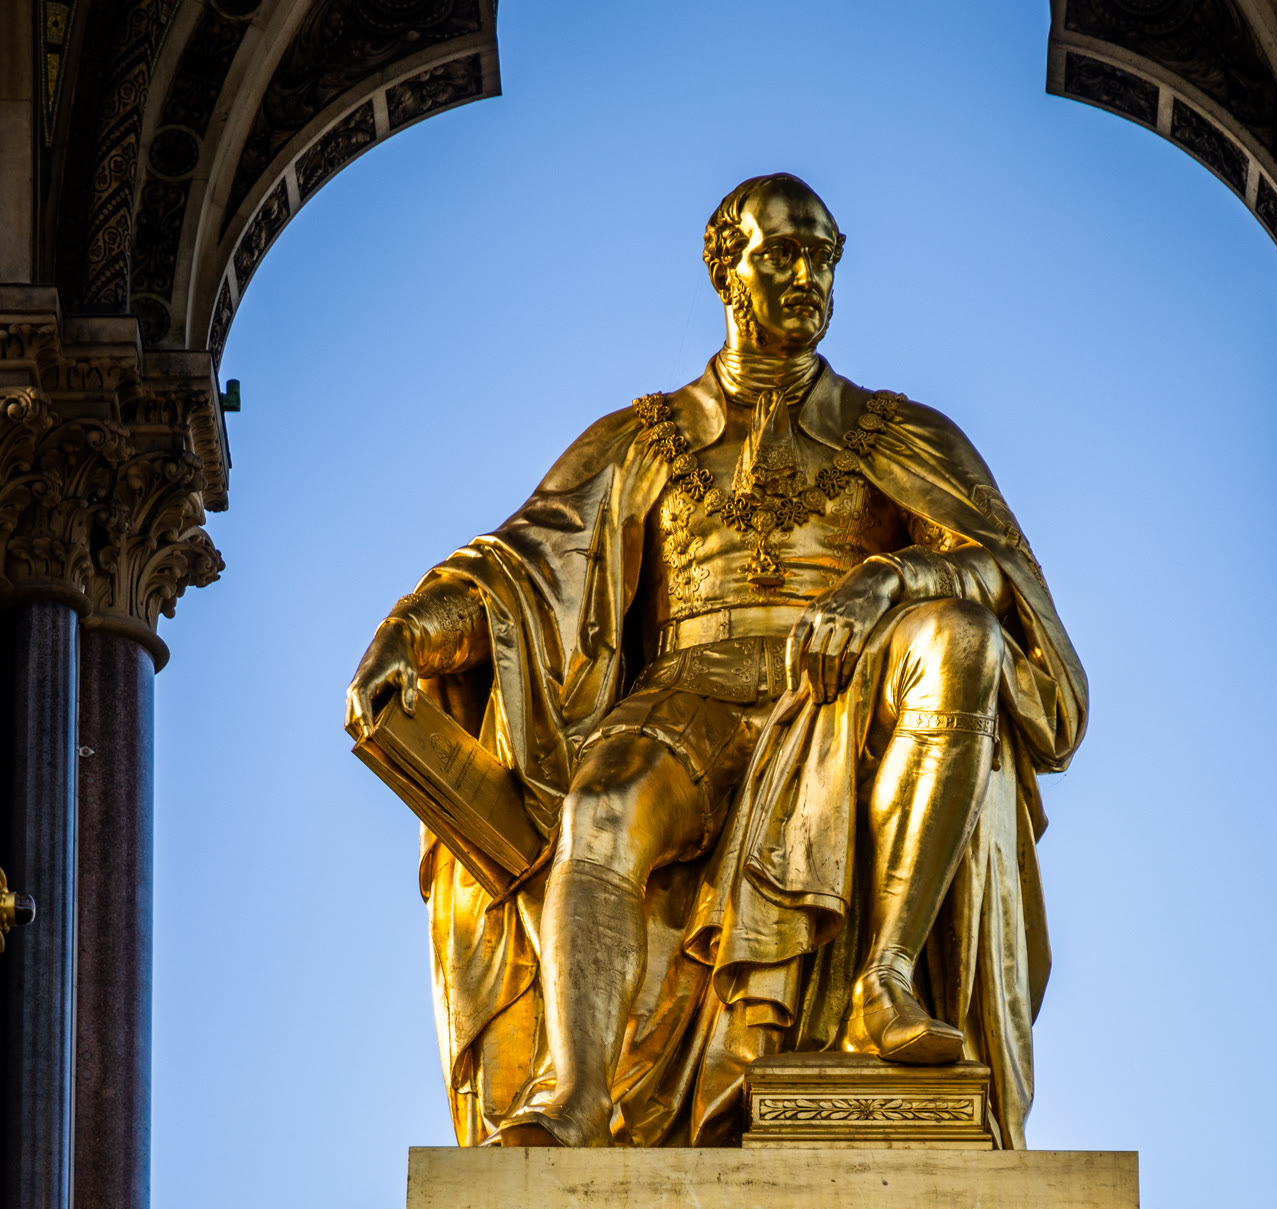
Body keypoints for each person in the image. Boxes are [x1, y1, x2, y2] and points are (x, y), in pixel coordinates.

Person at [346, 173, 1087, 1148]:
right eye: (782, 253)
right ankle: (576, 1095)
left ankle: (887, 977)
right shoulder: (642, 438)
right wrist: (409, 634)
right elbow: (521, 570)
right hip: (683, 697)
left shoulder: (900, 433)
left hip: (840, 697)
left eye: (822, 256)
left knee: (962, 639)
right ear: (725, 268)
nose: (806, 276)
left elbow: (1002, 573)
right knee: (602, 809)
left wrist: (891, 578)